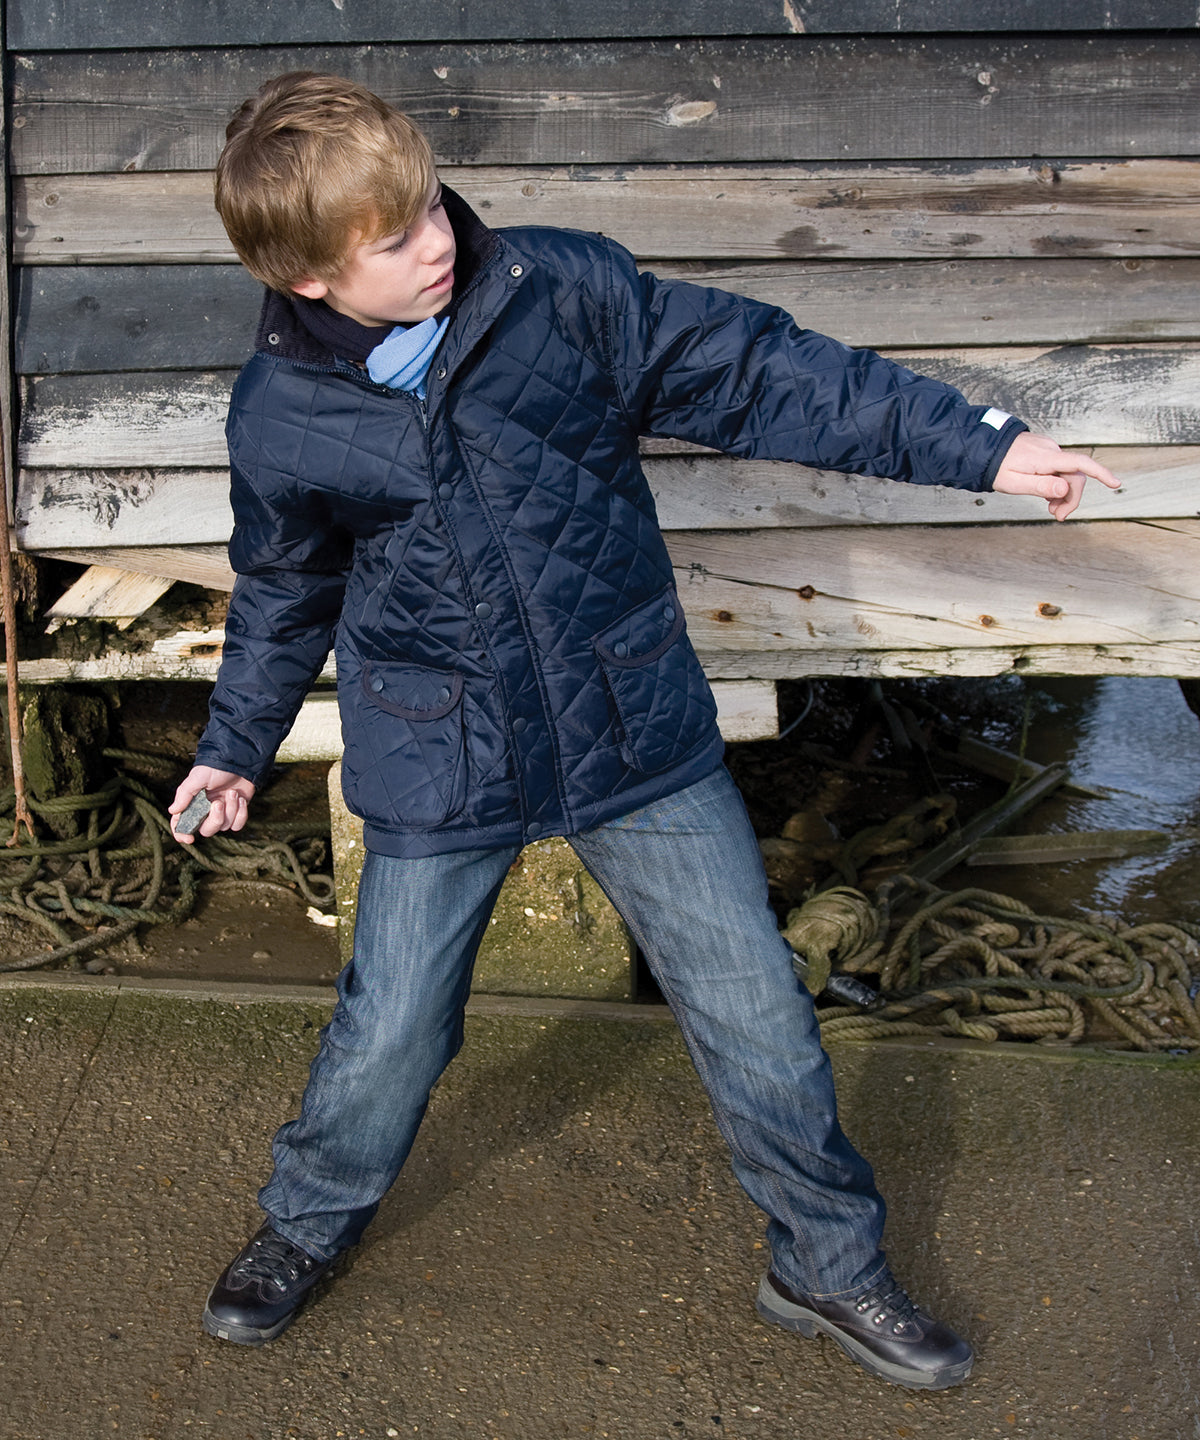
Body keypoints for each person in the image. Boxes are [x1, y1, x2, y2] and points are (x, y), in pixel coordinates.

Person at [169, 71, 1119, 1387]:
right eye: (393, 240)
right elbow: (284, 588)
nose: (438, 239)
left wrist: (984, 446)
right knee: (392, 1031)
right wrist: (234, 743)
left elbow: (769, 374)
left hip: (630, 726)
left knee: (755, 1013)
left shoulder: (562, 293)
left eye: (432, 202)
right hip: (445, 747)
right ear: (312, 280)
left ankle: (826, 1265)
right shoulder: (282, 416)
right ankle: (304, 1226)